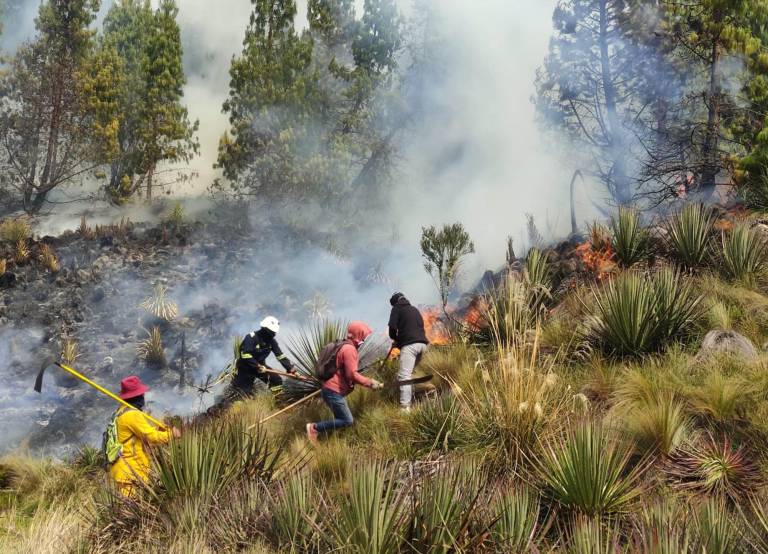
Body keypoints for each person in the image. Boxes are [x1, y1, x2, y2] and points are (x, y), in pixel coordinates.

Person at [306, 321, 383, 443]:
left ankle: (335, 440)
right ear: (358, 335)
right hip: (333, 391)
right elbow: (352, 374)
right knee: (347, 420)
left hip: (329, 389)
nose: (365, 339)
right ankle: (314, 428)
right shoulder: (349, 350)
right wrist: (370, 382)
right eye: (364, 336)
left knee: (341, 419)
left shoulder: (342, 345)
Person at [108, 375, 180, 497]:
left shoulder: (120, 411)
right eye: (141, 395)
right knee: (129, 510)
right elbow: (151, 437)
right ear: (136, 397)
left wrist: (159, 429)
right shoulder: (132, 415)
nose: (143, 398)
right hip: (130, 472)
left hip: (123, 470)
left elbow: (140, 432)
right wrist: (171, 434)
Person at [211, 316, 297, 412]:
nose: (274, 334)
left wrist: (290, 369)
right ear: (265, 329)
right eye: (272, 332)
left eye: (274, 333)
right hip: (245, 368)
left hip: (260, 367)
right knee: (240, 393)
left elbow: (280, 355)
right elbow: (246, 355)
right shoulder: (251, 337)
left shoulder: (271, 341)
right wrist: (257, 366)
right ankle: (218, 410)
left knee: (276, 380)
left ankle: (280, 403)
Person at [387, 292, 429, 410]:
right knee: (408, 374)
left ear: (395, 302)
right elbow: (416, 328)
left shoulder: (396, 308)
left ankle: (405, 409)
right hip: (423, 345)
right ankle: (419, 394)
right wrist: (400, 343)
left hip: (410, 346)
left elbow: (392, 329)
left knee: (404, 377)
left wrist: (395, 340)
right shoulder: (414, 309)